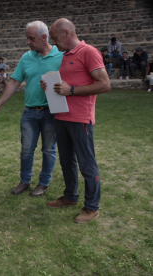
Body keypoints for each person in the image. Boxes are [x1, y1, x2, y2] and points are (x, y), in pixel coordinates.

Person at [41, 18, 110, 223]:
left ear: (66, 33)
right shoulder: (64, 56)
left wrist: (71, 90)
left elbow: (105, 85)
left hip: (81, 119)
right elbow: (67, 83)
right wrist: (51, 86)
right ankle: (70, 197)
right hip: (61, 116)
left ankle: (92, 207)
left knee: (87, 164)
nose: (53, 43)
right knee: (66, 161)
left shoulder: (88, 52)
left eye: (54, 38)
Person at [0, 20, 63, 198]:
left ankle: (44, 183)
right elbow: (14, 82)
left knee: (49, 150)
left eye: (31, 38)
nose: (28, 42)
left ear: (44, 37)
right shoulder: (26, 57)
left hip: (52, 112)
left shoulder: (61, 56)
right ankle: (25, 181)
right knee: (27, 149)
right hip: (29, 112)